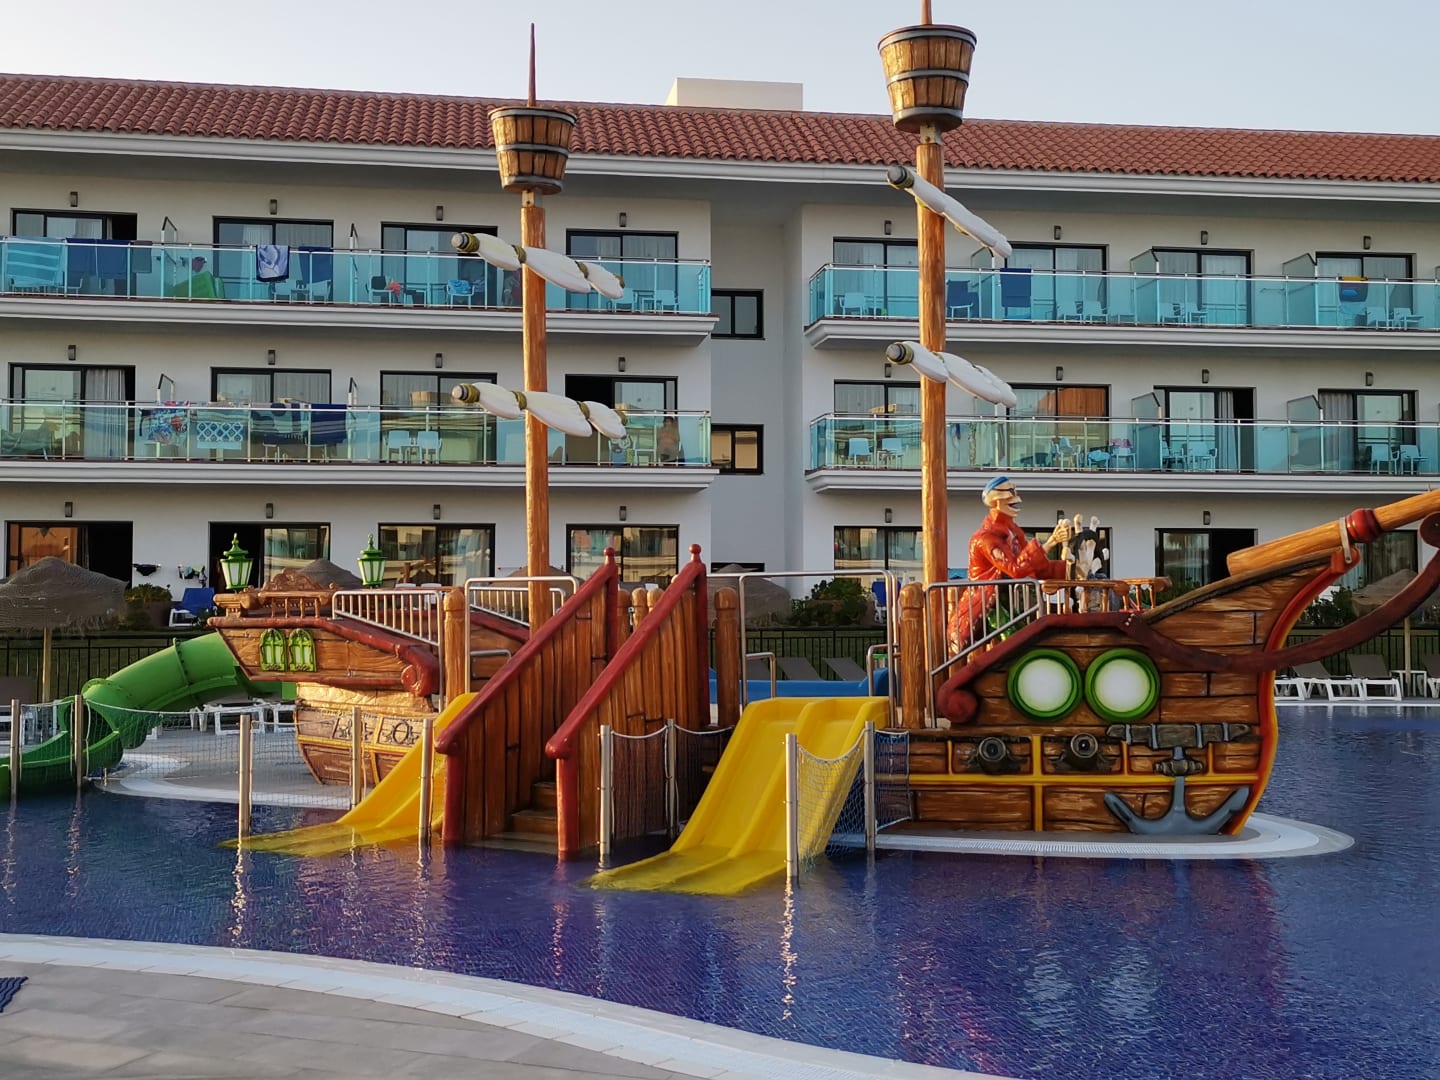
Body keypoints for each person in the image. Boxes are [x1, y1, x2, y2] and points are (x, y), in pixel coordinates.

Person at [948, 475, 1072, 654]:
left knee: (1026, 639)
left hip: (1011, 602)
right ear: (997, 502)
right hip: (987, 605)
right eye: (1009, 497)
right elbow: (1015, 569)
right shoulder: (985, 539)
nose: (1016, 501)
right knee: (1015, 642)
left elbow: (1036, 567)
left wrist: (1070, 568)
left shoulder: (1012, 532)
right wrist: (1050, 542)